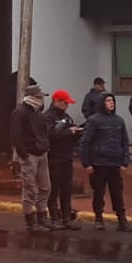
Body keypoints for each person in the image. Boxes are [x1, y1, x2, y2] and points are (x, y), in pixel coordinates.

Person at [78, 93, 132, 232]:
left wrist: (125, 161)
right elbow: (85, 142)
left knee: (117, 192)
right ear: (102, 103)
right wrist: (87, 163)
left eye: (112, 100)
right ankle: (98, 218)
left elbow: (124, 142)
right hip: (99, 163)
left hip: (115, 163)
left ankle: (122, 220)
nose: (111, 103)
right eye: (108, 101)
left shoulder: (119, 121)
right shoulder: (94, 121)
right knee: (99, 192)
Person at [10, 83, 53, 232]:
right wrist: (25, 156)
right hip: (30, 155)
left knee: (45, 188)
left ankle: (42, 218)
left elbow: (43, 133)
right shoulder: (20, 113)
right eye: (40, 97)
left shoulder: (38, 114)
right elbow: (16, 136)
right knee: (29, 189)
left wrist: (46, 148)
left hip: (42, 154)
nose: (42, 100)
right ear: (32, 97)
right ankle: (31, 222)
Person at [45, 89, 82, 230]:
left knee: (66, 188)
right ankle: (54, 218)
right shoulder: (47, 117)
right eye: (65, 103)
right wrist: (68, 132)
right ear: (57, 101)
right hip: (54, 157)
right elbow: (51, 135)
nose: (67, 105)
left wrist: (76, 133)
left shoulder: (67, 117)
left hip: (67, 156)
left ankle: (66, 218)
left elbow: (67, 136)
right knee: (53, 189)